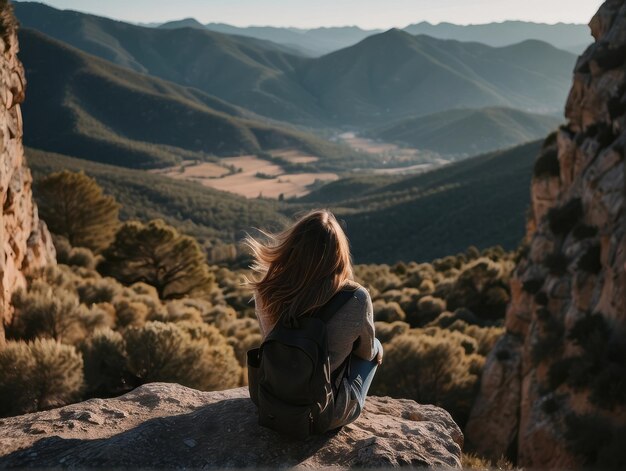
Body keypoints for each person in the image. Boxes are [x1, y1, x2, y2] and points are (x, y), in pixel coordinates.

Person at [244, 209, 383, 430]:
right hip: (324, 416)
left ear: (291, 247)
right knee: (375, 346)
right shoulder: (356, 298)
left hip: (269, 402)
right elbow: (364, 354)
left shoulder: (266, 290)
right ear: (338, 254)